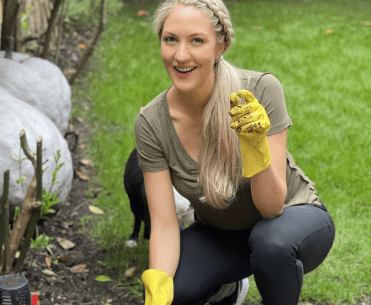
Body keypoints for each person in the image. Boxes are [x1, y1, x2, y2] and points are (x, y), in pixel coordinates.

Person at [134, 0, 336, 304]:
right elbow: (163, 224)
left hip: (291, 220)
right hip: (222, 233)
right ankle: (228, 289)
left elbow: (271, 208)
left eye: (197, 40)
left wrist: (254, 147)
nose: (180, 55)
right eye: (170, 39)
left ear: (221, 45)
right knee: (175, 292)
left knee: (271, 244)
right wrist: (157, 292)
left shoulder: (259, 91)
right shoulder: (151, 122)